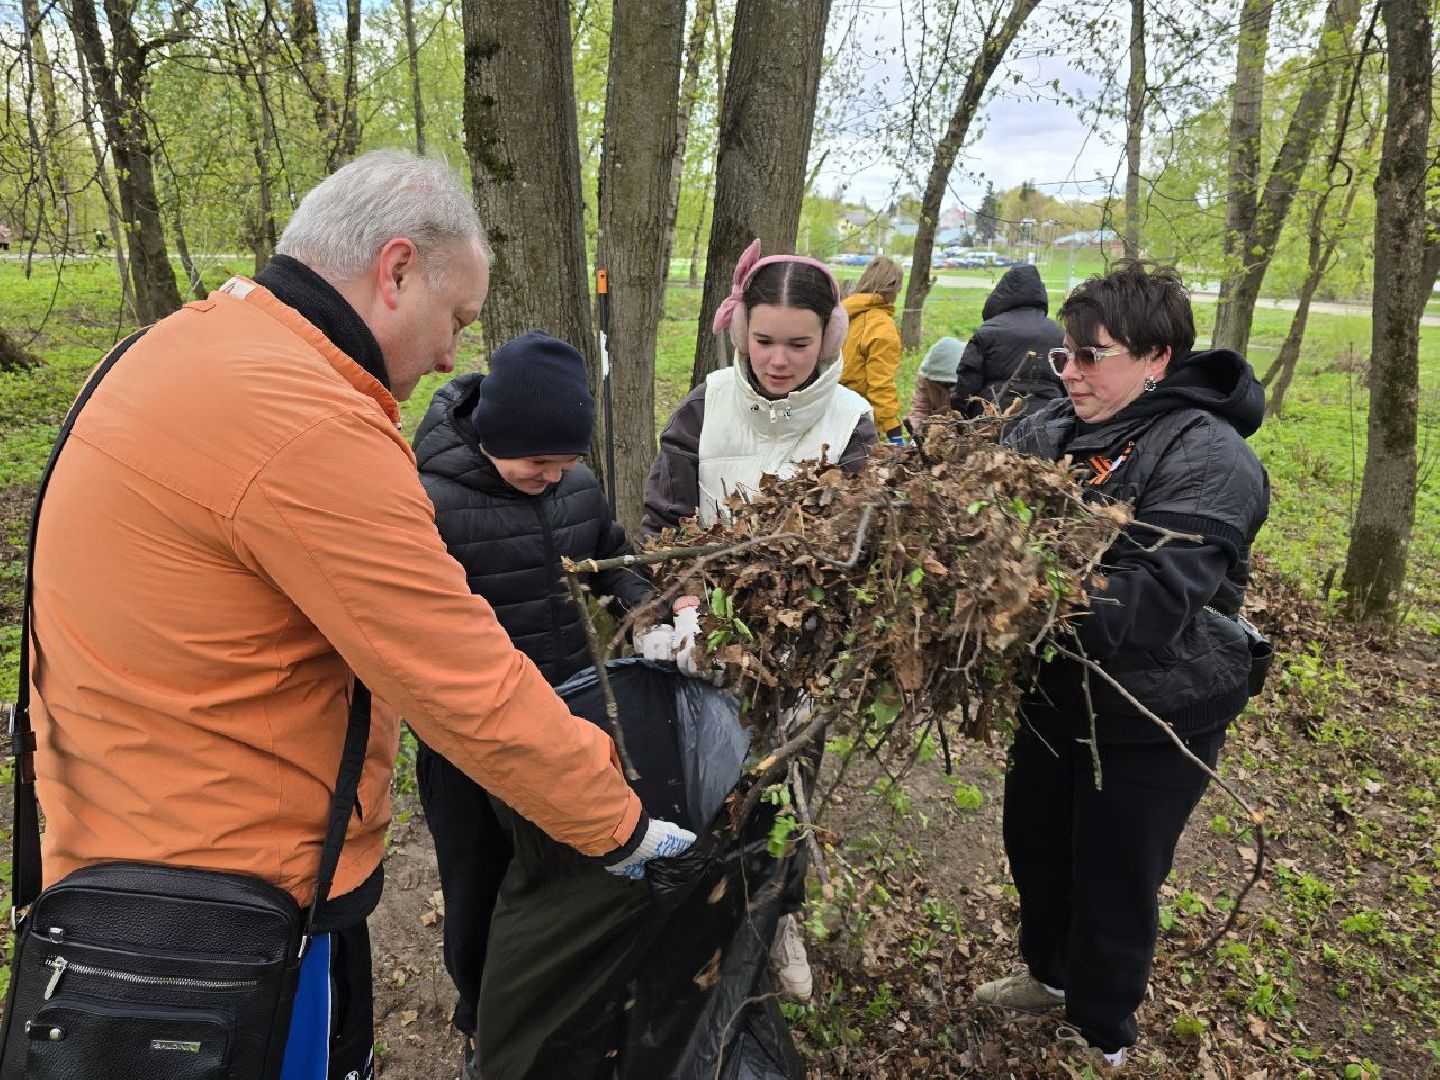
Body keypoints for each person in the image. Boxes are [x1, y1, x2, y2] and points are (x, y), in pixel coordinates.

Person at [25, 150, 692, 1080]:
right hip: (231, 910)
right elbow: (458, 675)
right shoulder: (304, 418)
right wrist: (621, 827)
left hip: (113, 855)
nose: (455, 356)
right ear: (396, 270)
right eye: (457, 319)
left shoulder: (171, 349)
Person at [974, 261, 1269, 1068]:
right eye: (1063, 356)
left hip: (1157, 704)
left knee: (1115, 877)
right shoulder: (1056, 426)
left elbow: (1149, 601)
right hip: (1057, 686)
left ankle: (1101, 1033)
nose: (1070, 373)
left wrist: (1005, 595)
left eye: (1090, 356)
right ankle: (1049, 977)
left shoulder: (1210, 459)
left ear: (1156, 359)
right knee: (1035, 844)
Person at [410, 330, 655, 1077]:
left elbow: (612, 553)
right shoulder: (430, 501)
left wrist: (650, 611)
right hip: (469, 748)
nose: (551, 477)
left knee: (566, 872)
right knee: (478, 883)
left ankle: (566, 995)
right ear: (491, 436)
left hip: (569, 724)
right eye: (535, 463)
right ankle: (483, 1015)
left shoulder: (575, 488)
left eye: (566, 461)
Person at [641, 239, 878, 1000]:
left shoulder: (852, 423)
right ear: (740, 329)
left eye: (799, 344)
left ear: (828, 338)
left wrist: (811, 631)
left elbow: (856, 549)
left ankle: (780, 917)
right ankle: (693, 919)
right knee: (707, 780)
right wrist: (684, 607)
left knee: (786, 785)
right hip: (707, 642)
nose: (779, 360)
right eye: (764, 339)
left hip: (800, 652)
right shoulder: (704, 405)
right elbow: (665, 521)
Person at [950, 262, 1063, 418]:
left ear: (1001, 294)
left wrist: (961, 414)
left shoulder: (987, 332)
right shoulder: (1059, 334)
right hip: (1048, 418)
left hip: (992, 419)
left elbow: (967, 382)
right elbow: (1069, 383)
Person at [840, 255, 905, 444]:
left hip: (829, 408)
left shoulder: (841, 315)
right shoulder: (882, 326)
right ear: (893, 287)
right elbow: (880, 384)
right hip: (859, 419)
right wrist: (894, 432)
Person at [908, 334, 963, 426]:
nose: (945, 386)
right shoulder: (925, 376)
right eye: (941, 383)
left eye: (949, 384)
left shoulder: (972, 371)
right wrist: (916, 435)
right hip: (938, 431)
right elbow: (919, 410)